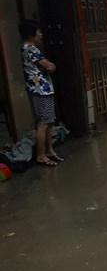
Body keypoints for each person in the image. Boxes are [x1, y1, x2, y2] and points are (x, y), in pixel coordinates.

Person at [19, 20, 63, 167]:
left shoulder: (27, 48)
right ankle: (41, 155)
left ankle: (49, 151)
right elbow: (49, 66)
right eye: (39, 32)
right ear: (31, 34)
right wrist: (52, 65)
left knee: (49, 122)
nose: (41, 35)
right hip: (40, 90)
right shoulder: (31, 49)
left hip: (43, 89)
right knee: (43, 123)